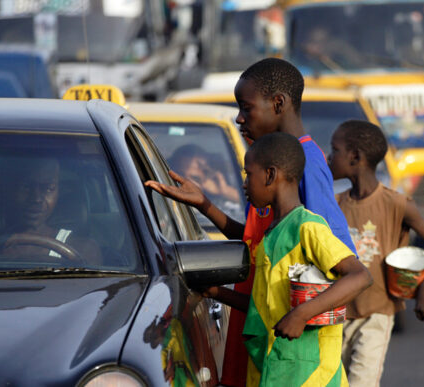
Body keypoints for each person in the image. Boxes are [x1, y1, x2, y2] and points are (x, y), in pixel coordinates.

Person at [145, 57, 357, 387]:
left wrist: (302, 314)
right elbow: (257, 242)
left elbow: (337, 260)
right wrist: (205, 205)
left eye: (246, 108)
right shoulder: (271, 175)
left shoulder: (307, 165)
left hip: (297, 361)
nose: (240, 118)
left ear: (278, 104)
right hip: (265, 340)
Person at [201, 132, 372, 386]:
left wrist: (302, 314)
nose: (245, 184)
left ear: (270, 175)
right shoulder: (271, 233)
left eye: (249, 174)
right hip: (275, 371)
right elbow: (267, 309)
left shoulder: (308, 227)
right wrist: (215, 292)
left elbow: (360, 276)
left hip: (312, 376)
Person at [328, 120, 424, 387]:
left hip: (377, 314)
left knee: (362, 382)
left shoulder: (396, 204)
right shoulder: (334, 204)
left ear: (355, 157)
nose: (329, 157)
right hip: (336, 315)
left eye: (334, 150)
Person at [0, 158, 102, 265]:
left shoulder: (83, 250)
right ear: (7, 189)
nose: (36, 199)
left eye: (48, 188)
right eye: (26, 187)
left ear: (58, 192)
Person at [169, 144, 240, 203]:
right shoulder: (171, 193)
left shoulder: (219, 195)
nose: (200, 171)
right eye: (181, 173)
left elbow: (247, 202)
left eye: (201, 165)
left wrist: (224, 190)